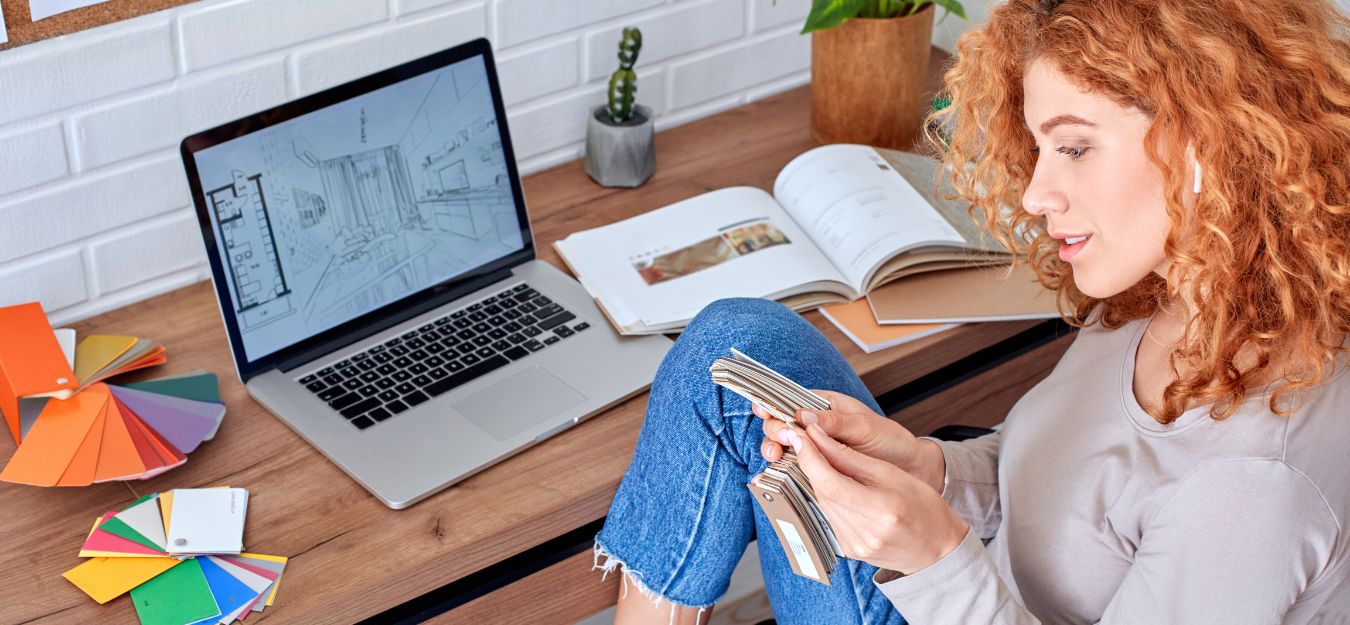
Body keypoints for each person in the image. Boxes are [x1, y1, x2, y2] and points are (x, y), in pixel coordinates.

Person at [591, 0, 1350, 622]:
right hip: (966, 587)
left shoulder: (1253, 490)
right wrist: (926, 467)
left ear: (1206, 145)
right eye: (1039, 147)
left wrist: (934, 555)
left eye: (1076, 148)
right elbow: (1064, 485)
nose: (1034, 194)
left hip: (960, 599)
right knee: (734, 345)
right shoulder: (1171, 290)